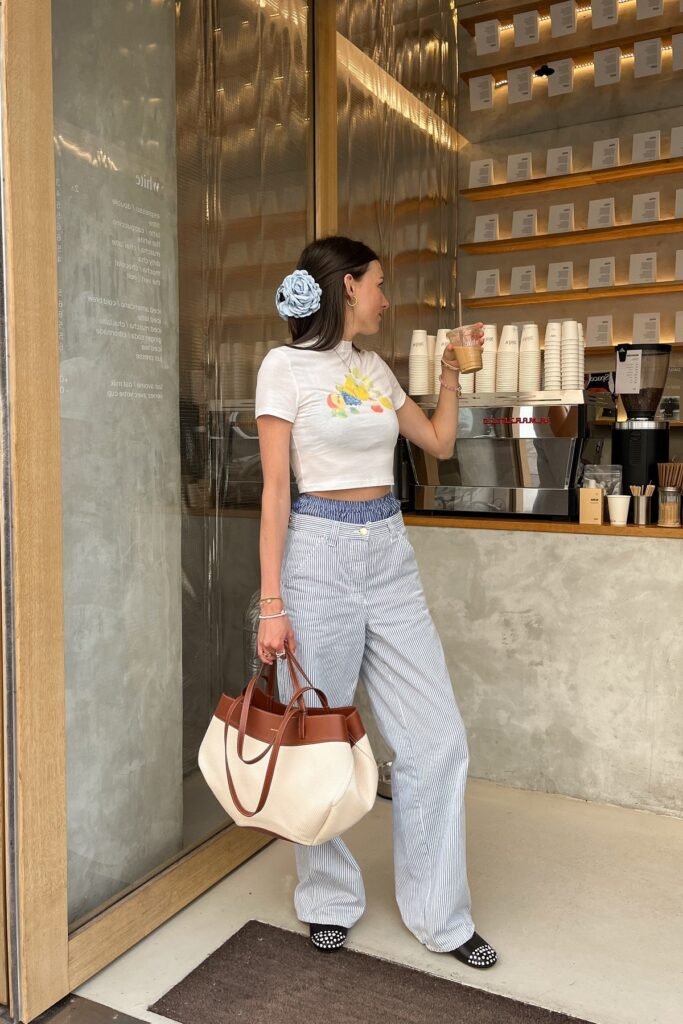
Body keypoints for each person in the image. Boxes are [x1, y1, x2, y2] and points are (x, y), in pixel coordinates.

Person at [254, 235, 496, 970]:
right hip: (318, 553)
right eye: (380, 285)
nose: (387, 300)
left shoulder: (373, 368)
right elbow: (274, 491)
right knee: (318, 736)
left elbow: (439, 444)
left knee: (435, 738)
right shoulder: (283, 368)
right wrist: (271, 601)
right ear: (347, 287)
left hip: (387, 552)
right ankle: (327, 899)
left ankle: (439, 917)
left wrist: (452, 375)